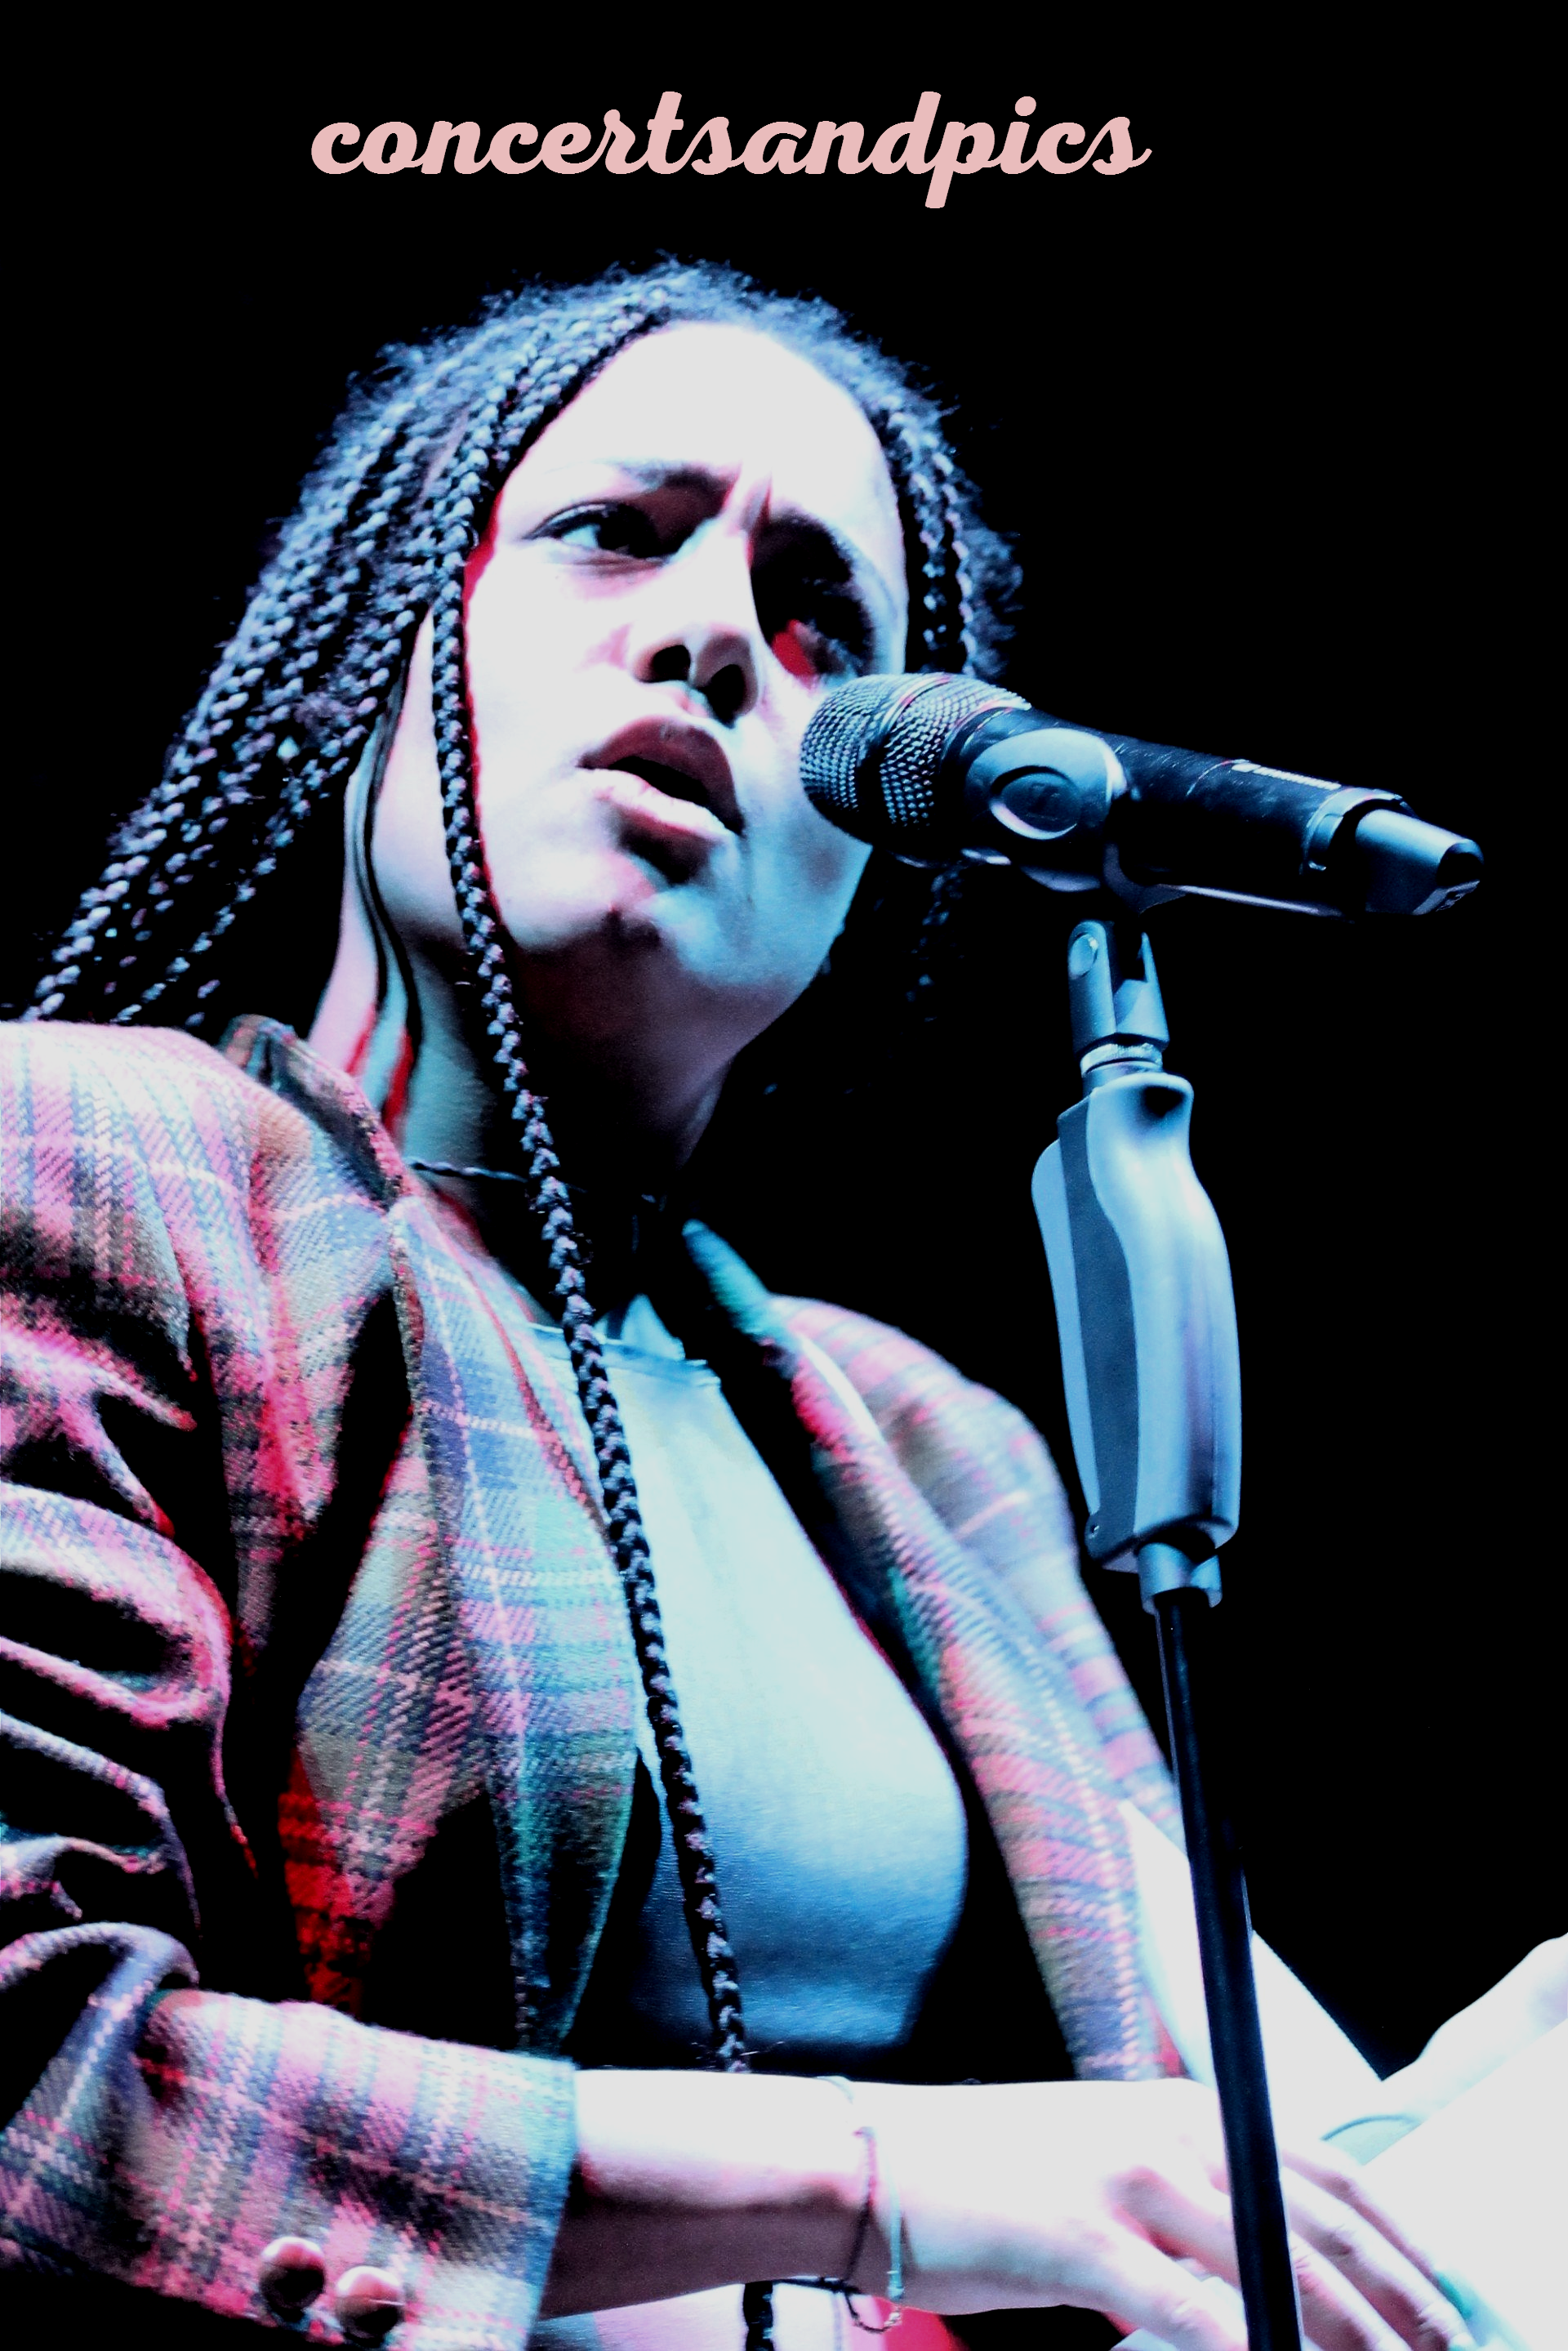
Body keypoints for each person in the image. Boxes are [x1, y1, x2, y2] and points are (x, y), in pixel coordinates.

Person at [1, 263, 1557, 2351]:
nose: (718, 633)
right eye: (611, 531)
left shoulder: (927, 1446)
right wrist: (882, 2180)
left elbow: (1243, 2144)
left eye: (824, 614)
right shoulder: (90, 1160)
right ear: (370, 646)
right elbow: (35, 2061)